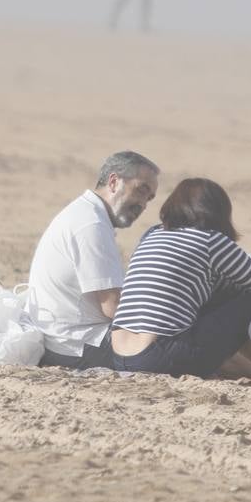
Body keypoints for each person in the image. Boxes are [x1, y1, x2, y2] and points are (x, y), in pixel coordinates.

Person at [109, 177, 251, 388]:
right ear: (218, 212)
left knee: (228, 298)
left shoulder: (152, 234)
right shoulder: (211, 240)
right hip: (158, 357)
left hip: (120, 356)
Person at [27, 151, 160, 370]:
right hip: (76, 345)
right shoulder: (91, 224)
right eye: (141, 190)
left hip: (64, 338)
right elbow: (114, 308)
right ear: (114, 181)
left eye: (149, 198)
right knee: (178, 342)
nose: (143, 204)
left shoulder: (87, 213)